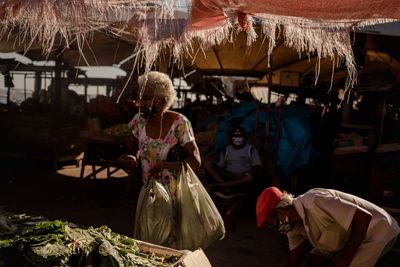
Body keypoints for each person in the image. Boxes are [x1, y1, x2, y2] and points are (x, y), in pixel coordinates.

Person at [120, 71, 201, 248]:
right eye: (141, 97)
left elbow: (196, 161)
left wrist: (166, 165)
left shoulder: (179, 123)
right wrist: (131, 159)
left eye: (147, 97)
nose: (141, 103)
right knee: (149, 239)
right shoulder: (138, 122)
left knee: (172, 243)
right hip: (149, 192)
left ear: (163, 100)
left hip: (175, 195)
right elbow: (132, 151)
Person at [256, 187, 400, 267]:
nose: (275, 228)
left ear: (281, 210)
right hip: (351, 235)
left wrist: (345, 258)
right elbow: (294, 261)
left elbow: (364, 218)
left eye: (273, 222)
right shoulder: (293, 227)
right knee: (314, 260)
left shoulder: (314, 201)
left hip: (379, 230)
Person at [204, 126, 262, 196]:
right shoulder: (225, 150)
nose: (237, 139)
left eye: (240, 137)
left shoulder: (251, 149)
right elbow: (221, 167)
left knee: (249, 178)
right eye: (235, 136)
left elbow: (257, 166)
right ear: (231, 138)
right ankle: (225, 185)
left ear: (244, 138)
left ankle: (221, 186)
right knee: (208, 164)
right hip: (229, 175)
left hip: (242, 176)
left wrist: (245, 173)